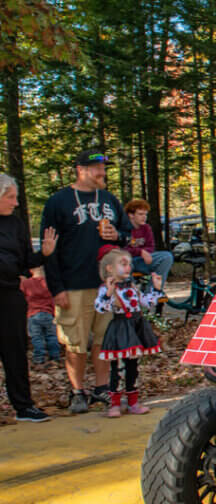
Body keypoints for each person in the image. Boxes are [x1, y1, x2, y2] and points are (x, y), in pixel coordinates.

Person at [41, 148, 129, 414]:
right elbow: (49, 250)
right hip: (73, 284)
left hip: (107, 284)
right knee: (75, 342)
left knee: (104, 340)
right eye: (97, 169)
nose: (103, 173)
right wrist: (57, 288)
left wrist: (118, 235)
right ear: (81, 170)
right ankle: (77, 391)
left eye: (104, 169)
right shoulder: (58, 202)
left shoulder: (110, 200)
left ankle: (102, 389)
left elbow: (127, 234)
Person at [0, 173, 58, 422]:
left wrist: (44, 254)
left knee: (15, 351)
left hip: (10, 296)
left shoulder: (16, 225)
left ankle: (23, 406)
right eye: (10, 197)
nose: (15, 203)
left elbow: (25, 262)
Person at [94, 246, 162, 416]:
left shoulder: (132, 287)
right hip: (120, 330)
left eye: (129, 264)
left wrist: (156, 288)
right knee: (118, 368)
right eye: (123, 264)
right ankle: (114, 403)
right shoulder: (107, 290)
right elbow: (101, 308)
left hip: (136, 328)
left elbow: (146, 303)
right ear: (109, 268)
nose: (128, 268)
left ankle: (133, 402)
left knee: (134, 367)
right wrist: (109, 293)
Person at [124, 199, 173, 289]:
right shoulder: (123, 228)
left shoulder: (146, 228)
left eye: (145, 214)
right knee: (123, 260)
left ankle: (152, 293)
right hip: (127, 262)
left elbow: (151, 246)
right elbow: (122, 249)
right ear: (131, 215)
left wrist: (145, 253)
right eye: (140, 214)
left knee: (167, 256)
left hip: (142, 261)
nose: (144, 217)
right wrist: (141, 252)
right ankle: (129, 295)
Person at [21, 266, 61, 363]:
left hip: (33, 314)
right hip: (48, 313)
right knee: (51, 336)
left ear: (30, 270)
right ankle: (55, 356)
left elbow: (21, 294)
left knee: (36, 337)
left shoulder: (26, 283)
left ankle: (39, 357)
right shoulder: (49, 282)